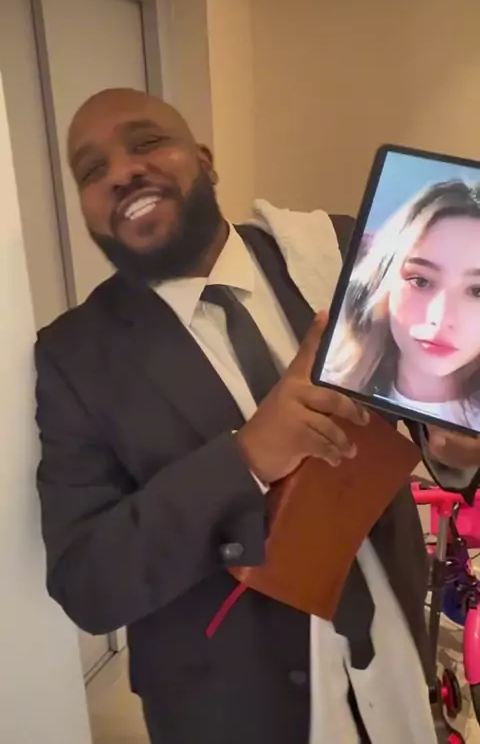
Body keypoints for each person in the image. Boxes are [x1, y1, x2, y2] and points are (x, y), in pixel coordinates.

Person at [35, 88, 480, 744]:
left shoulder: (342, 256)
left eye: (146, 142)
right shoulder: (74, 357)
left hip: (396, 661)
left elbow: (427, 405)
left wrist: (457, 449)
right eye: (92, 170)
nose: (122, 171)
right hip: (233, 706)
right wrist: (245, 458)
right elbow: (88, 583)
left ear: (204, 159)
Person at [323, 180, 480, 431]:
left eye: (477, 291)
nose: (440, 317)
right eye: (420, 281)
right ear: (382, 283)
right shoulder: (333, 389)